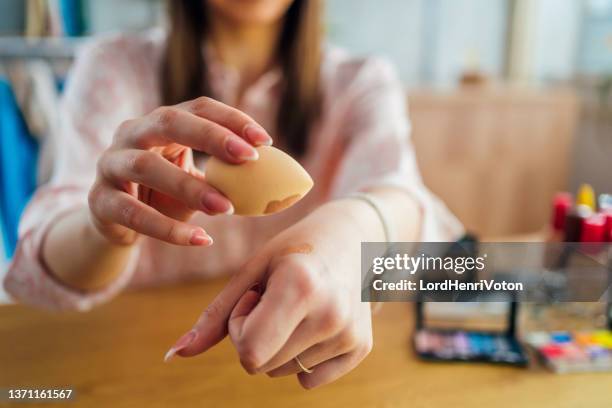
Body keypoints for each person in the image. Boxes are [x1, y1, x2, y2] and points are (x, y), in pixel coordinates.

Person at [4, 0, 462, 389]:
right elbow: (44, 263)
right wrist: (106, 227)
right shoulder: (113, 66)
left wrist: (350, 230)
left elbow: (404, 201)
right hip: (131, 374)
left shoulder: (360, 82)